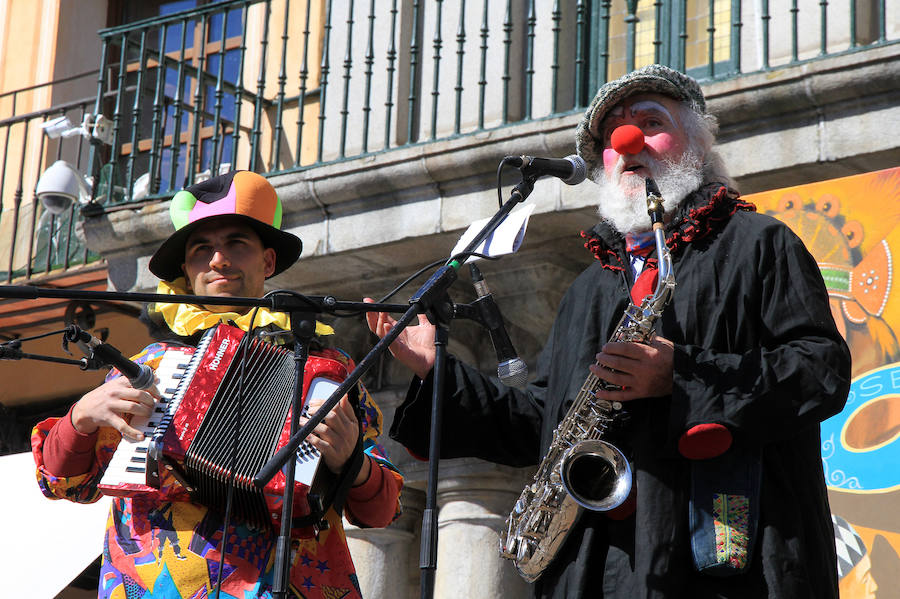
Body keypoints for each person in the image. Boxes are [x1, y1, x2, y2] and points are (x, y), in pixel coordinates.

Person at [365, 64, 851, 598]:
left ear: (699, 140)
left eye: (650, 121)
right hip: (601, 569)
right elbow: (542, 422)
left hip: (724, 562)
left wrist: (682, 376)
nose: (627, 141)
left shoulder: (760, 243)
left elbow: (820, 370)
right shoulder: (590, 287)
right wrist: (437, 369)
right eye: (612, 136)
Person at [32, 170, 403, 599]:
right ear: (187, 271)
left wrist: (352, 461)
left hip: (292, 585)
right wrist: (78, 419)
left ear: (267, 261)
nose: (218, 260)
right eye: (202, 249)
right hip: (156, 585)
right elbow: (62, 483)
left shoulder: (324, 366)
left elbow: (384, 509)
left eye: (236, 244)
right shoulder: (147, 367)